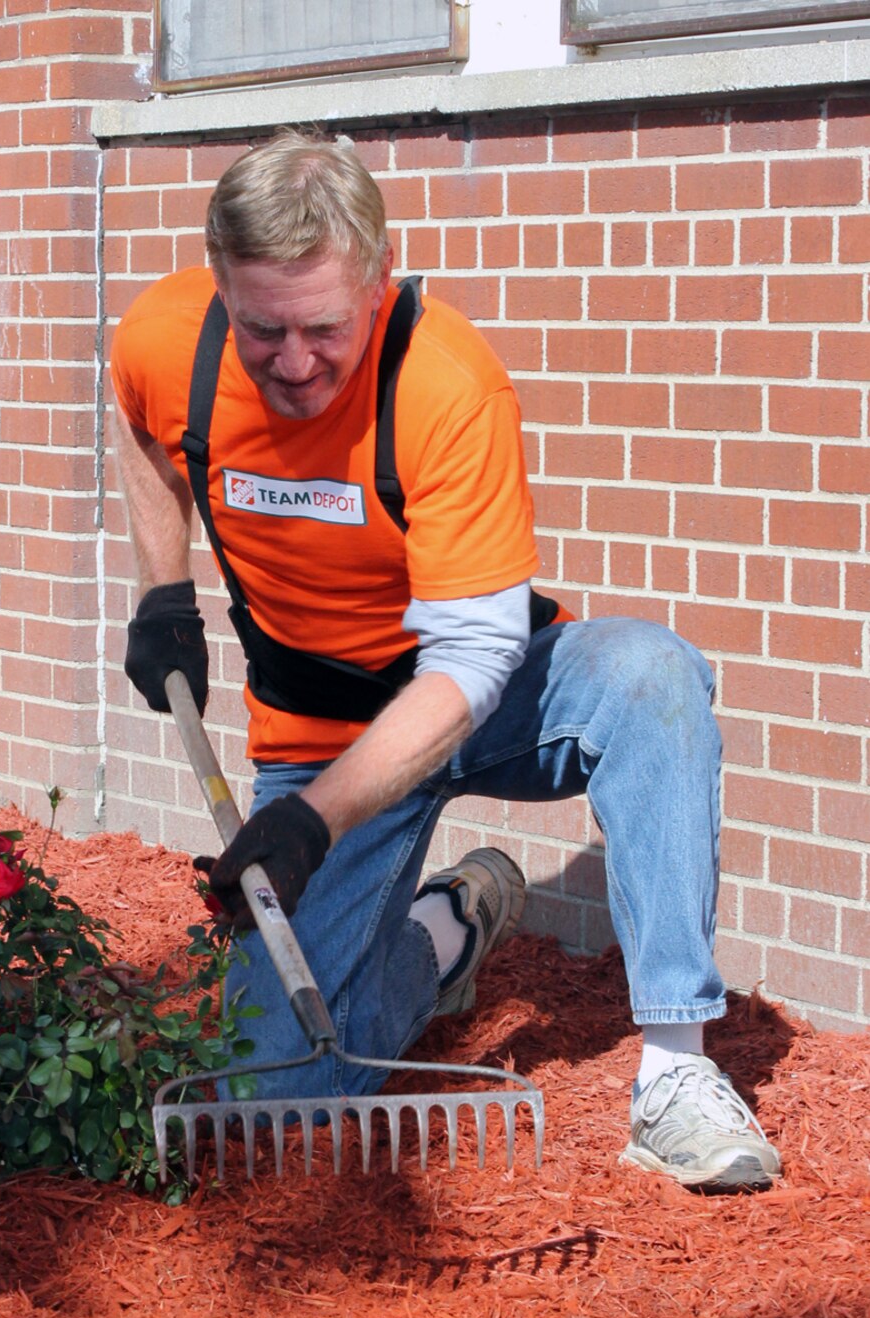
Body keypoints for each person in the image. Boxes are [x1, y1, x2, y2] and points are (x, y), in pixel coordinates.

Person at [109, 130, 780, 1191]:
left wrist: (307, 821)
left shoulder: (445, 384)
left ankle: (674, 1074)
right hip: (326, 727)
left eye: (323, 327)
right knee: (271, 1087)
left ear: (378, 282)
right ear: (218, 286)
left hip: (493, 689)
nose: (292, 362)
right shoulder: (165, 340)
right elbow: (145, 434)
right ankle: (445, 930)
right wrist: (161, 590)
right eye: (260, 328)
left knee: (652, 676)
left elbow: (471, 662)